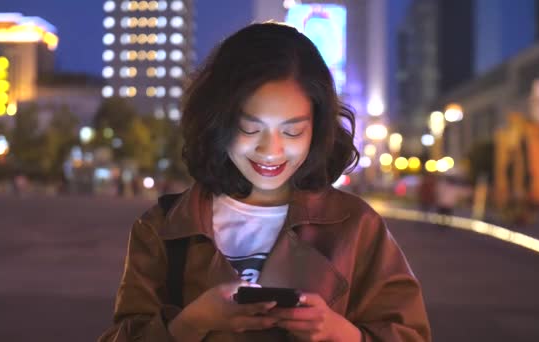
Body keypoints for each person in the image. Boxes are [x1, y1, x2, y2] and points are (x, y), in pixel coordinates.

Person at [99, 22, 431, 341]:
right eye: (250, 128)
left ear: (317, 129)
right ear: (217, 121)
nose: (270, 151)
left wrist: (336, 332)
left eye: (292, 131)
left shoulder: (357, 226)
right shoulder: (161, 228)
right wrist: (193, 322)